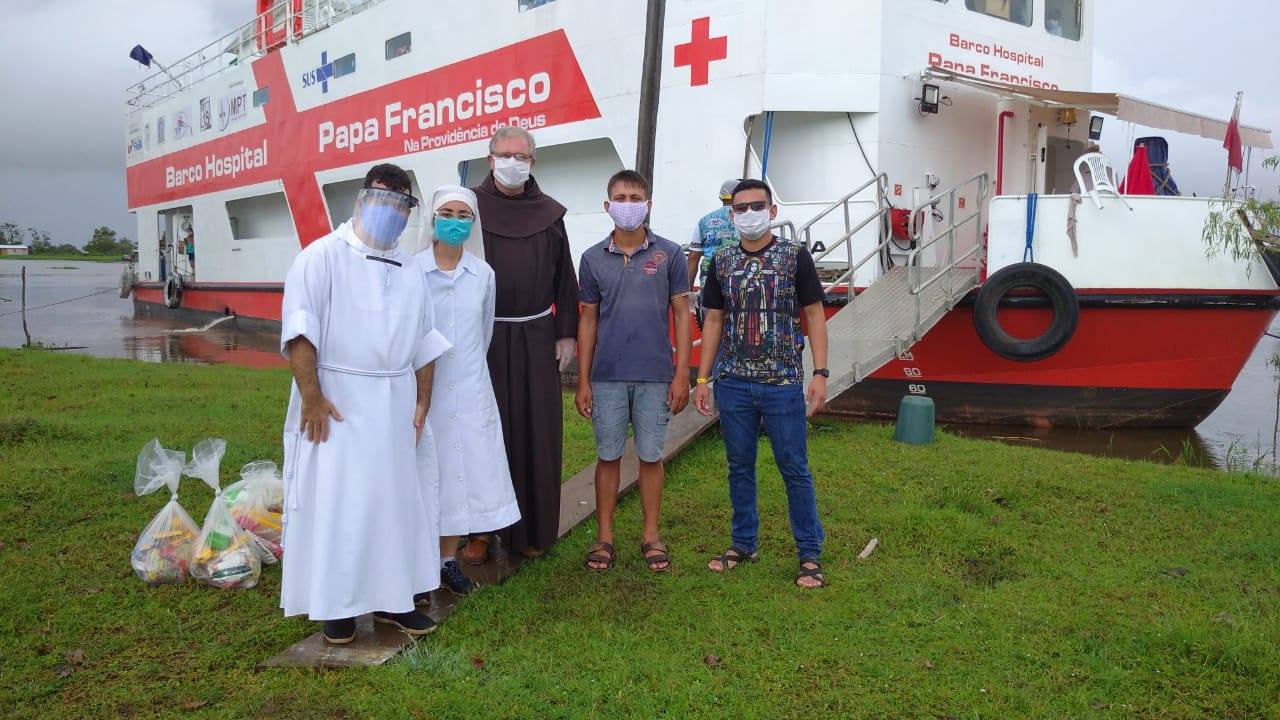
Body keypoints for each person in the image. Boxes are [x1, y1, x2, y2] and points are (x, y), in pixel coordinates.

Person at [279, 163, 452, 644]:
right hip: (339, 403)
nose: (392, 212)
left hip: (395, 403)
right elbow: (299, 331)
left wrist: (422, 400)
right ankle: (336, 608)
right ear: (361, 200)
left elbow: (426, 340)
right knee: (341, 504)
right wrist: (311, 399)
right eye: (384, 200)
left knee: (395, 503)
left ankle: (394, 601)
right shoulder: (321, 258)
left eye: (403, 204)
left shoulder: (410, 269)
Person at [693, 179, 830, 590]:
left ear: (771, 211)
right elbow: (713, 320)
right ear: (731, 214)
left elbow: (815, 315)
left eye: (757, 206)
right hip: (733, 382)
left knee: (794, 467)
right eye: (741, 208)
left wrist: (820, 373)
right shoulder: (721, 261)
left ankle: (809, 553)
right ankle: (743, 542)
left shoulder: (794, 257)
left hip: (782, 382)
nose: (749, 214)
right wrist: (703, 378)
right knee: (739, 466)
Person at [575, 170, 692, 573]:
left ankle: (650, 535)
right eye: (620, 198)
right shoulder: (591, 259)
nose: (628, 204)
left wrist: (682, 375)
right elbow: (587, 320)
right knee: (607, 455)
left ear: (648, 204)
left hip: (656, 374)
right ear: (608, 206)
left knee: (650, 455)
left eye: (635, 197)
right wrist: (583, 379)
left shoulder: (671, 255)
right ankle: (604, 536)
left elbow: (681, 313)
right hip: (606, 375)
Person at [472, 126, 579, 559]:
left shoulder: (550, 214)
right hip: (483, 337)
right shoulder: (468, 209)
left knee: (537, 430)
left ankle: (535, 528)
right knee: (482, 430)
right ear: (490, 158)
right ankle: (480, 533)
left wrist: (566, 333)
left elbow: (564, 278)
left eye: (522, 157)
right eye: (505, 155)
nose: (513, 163)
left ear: (532, 162)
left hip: (536, 336)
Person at [418, 185, 521, 595]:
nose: (456, 222)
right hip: (425, 389)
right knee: (428, 472)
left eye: (465, 215)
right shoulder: (412, 270)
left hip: (471, 386)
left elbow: (484, 332)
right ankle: (418, 563)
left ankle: (447, 560)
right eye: (448, 213)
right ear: (432, 218)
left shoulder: (483, 274)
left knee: (462, 477)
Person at [687, 179, 741, 289]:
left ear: (720, 197)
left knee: (709, 306)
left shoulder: (704, 221)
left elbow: (693, 257)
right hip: (739, 277)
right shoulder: (746, 218)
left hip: (709, 278)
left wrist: (687, 290)